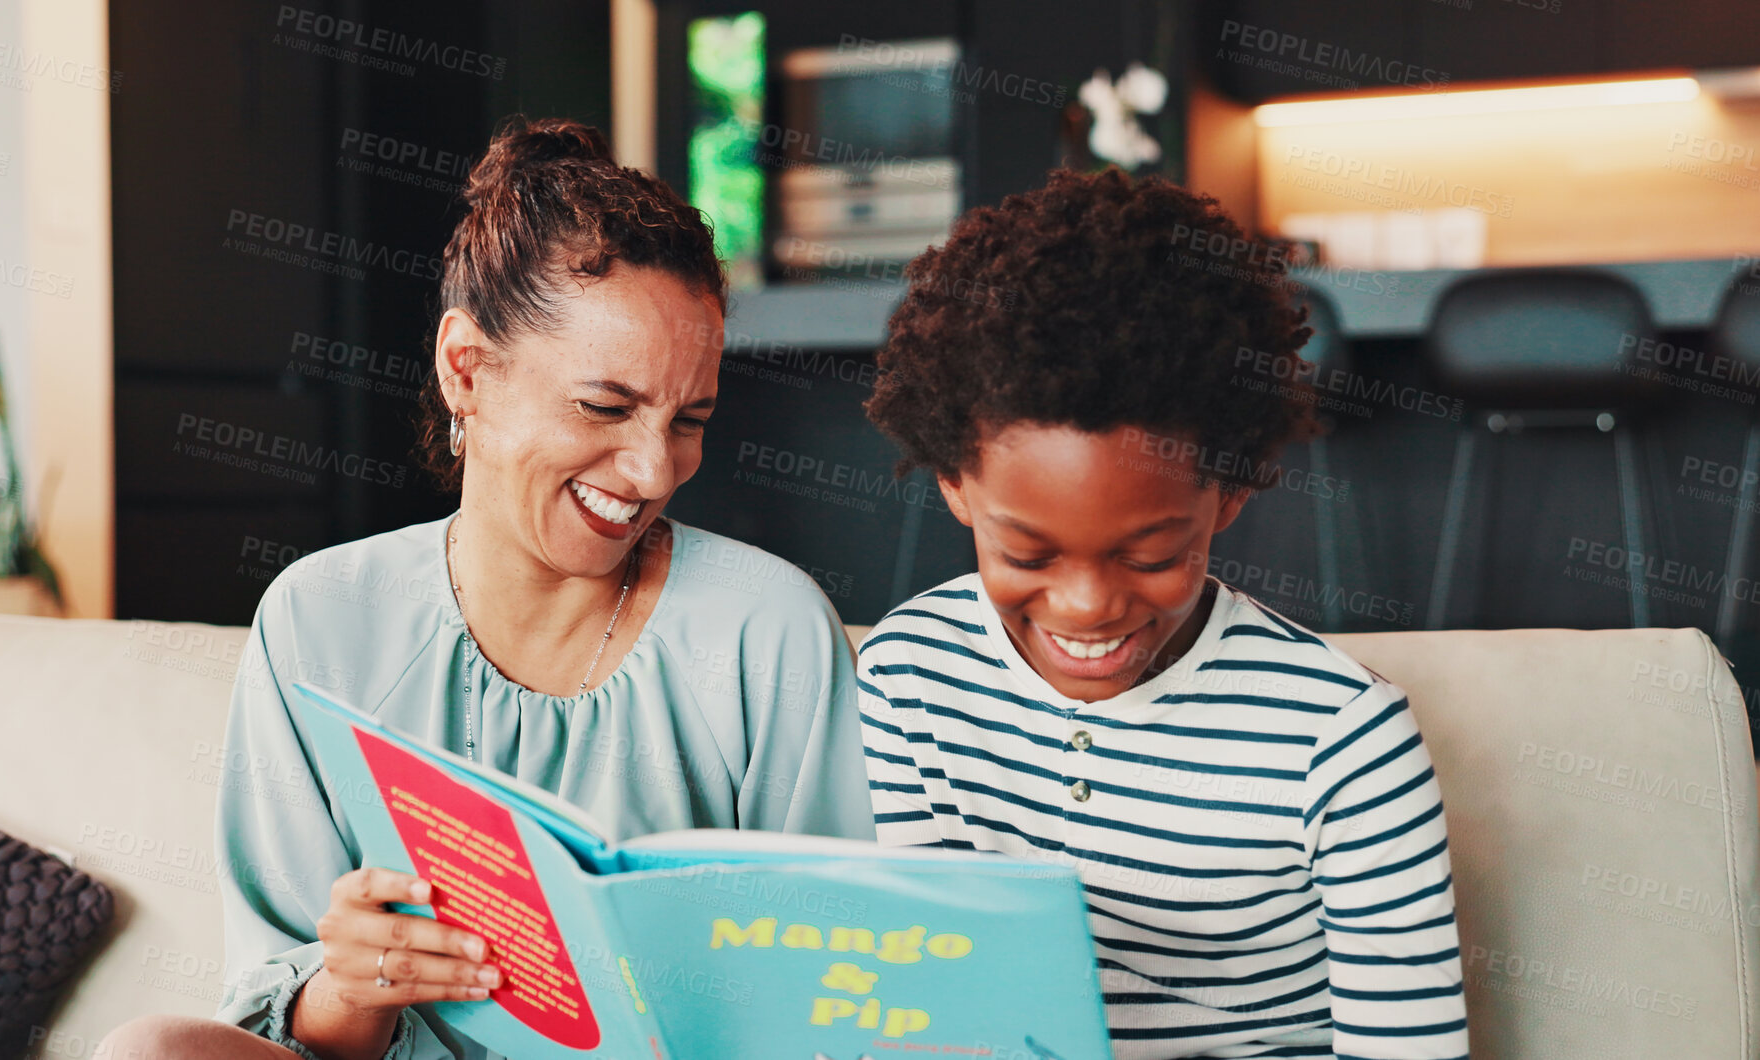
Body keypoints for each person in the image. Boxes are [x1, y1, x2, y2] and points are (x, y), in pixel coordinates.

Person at [98, 117, 872, 1060]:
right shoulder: (318, 619)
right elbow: (285, 1030)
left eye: (689, 420)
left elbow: (841, 991)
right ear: (464, 367)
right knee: (148, 1050)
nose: (651, 470)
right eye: (605, 405)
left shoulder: (769, 630)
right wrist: (354, 983)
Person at [854, 169, 1468, 1059]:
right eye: (1026, 555)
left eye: (1147, 556)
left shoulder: (1343, 742)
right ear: (954, 485)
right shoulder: (909, 672)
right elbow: (936, 989)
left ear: (1229, 493)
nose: (1087, 606)